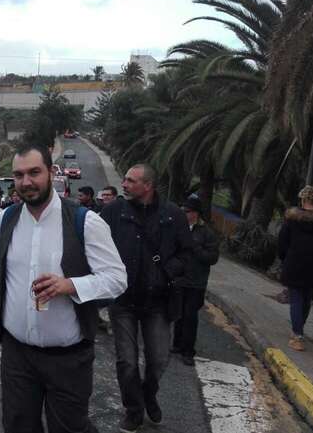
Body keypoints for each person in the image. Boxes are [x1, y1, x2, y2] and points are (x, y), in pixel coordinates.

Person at [0, 143, 127, 433]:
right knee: (18, 426)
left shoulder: (85, 222)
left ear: (51, 172)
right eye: (19, 175)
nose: (26, 182)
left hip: (69, 359)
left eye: (34, 172)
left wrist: (70, 285)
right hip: (17, 355)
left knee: (69, 428)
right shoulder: (6, 220)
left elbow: (117, 279)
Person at [99, 164, 192, 432]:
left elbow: (187, 253)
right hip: (123, 300)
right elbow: (95, 245)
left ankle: (148, 393)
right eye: (125, 180)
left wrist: (167, 272)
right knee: (127, 361)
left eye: (131, 181)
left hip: (159, 302)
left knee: (159, 359)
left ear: (148, 185)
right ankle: (134, 410)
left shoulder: (173, 215)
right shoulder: (113, 211)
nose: (124, 184)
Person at [277, 186, 313, 352]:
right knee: (306, 299)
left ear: (303, 200)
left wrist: (284, 258)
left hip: (294, 264)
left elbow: (282, 243)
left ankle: (297, 335)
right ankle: (298, 329)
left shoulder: (292, 220)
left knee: (296, 299)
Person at [171, 197, 219, 366]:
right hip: (179, 279)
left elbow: (212, 258)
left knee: (190, 317)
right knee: (178, 314)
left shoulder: (207, 233)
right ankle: (177, 344)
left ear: (196, 214)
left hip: (196, 282)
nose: (184, 214)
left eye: (187, 211)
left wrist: (195, 247)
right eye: (182, 211)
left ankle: (188, 351)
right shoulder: (178, 229)